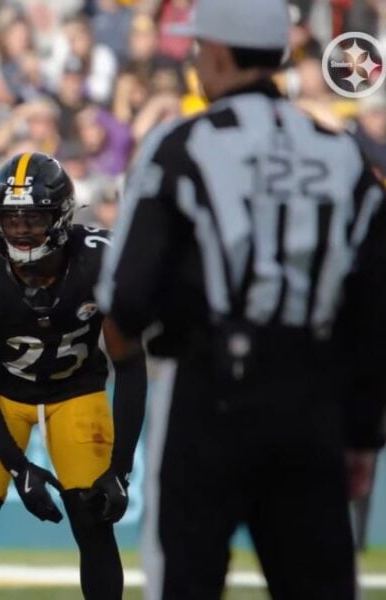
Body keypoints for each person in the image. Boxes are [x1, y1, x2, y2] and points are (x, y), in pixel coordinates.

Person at [96, 0, 386, 597]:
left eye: (200, 49)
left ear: (219, 54)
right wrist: (361, 431)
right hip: (311, 396)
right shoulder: (339, 153)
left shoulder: (184, 144)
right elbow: (374, 307)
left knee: (185, 582)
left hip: (210, 392)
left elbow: (126, 298)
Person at [0, 153, 147, 599]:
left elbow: (130, 365)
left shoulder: (100, 261)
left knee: (93, 524)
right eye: (11, 218)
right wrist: (18, 466)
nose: (21, 229)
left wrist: (120, 470)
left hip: (76, 392)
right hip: (2, 395)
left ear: (61, 216)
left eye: (34, 217)